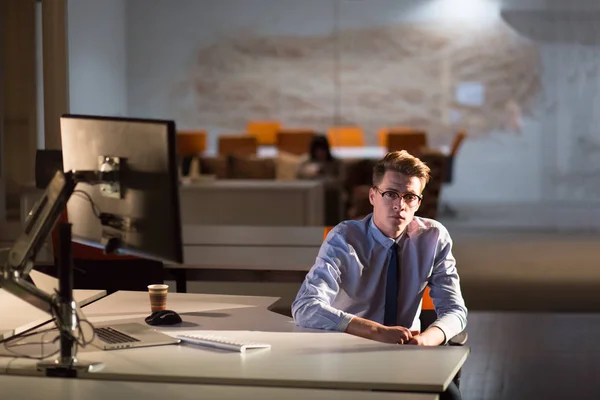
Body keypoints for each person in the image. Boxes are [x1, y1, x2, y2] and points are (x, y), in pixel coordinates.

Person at [291, 150, 467, 400]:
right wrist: (375, 331)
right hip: (349, 352)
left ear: (418, 202)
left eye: (409, 196)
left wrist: (427, 340)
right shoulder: (345, 239)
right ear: (373, 196)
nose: (400, 205)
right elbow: (305, 307)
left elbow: (455, 311)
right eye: (391, 194)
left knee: (450, 397)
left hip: (409, 354)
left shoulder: (434, 237)